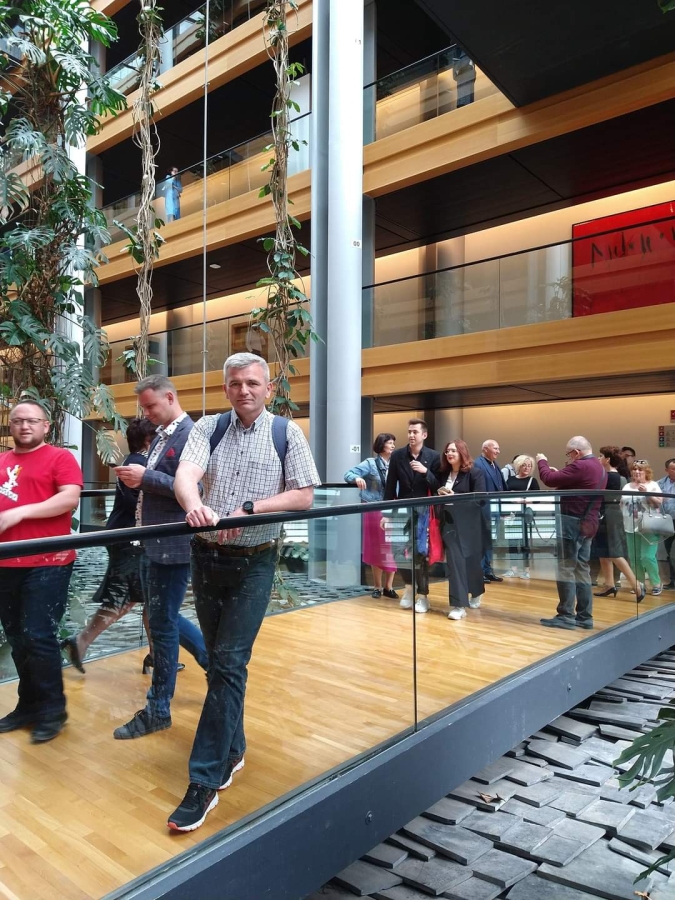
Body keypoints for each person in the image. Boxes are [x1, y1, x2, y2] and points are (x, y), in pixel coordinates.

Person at [167, 352, 320, 832]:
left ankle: (204, 779)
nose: (243, 390)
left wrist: (250, 509)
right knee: (221, 663)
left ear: (268, 388)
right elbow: (186, 475)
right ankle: (233, 750)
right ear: (226, 388)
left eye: (252, 383)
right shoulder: (208, 428)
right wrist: (194, 506)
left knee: (229, 662)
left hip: (255, 561)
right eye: (235, 383)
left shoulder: (286, 433)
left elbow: (304, 495)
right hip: (206, 557)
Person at [113, 375, 208, 740]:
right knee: (162, 617)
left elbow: (195, 490)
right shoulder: (163, 435)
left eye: (151, 406)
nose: (147, 413)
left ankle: (158, 708)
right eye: (144, 408)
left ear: (170, 398)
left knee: (163, 622)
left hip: (172, 546)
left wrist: (145, 477)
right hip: (153, 544)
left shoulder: (190, 435)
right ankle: (211, 667)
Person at [0, 400, 83, 743]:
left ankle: (53, 709)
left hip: (49, 561)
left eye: (32, 421)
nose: (24, 426)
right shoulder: (2, 461)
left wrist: (20, 513)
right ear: (10, 426)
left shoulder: (60, 458)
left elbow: (69, 499)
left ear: (46, 426)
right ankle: (29, 705)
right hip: (5, 563)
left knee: (38, 635)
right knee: (17, 638)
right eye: (18, 421)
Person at [61, 417, 158, 673]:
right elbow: (140, 503)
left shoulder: (133, 461)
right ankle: (82, 641)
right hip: (131, 540)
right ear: (148, 440)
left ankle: (156, 654)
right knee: (127, 598)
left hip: (127, 537)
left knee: (146, 598)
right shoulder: (139, 464)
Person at [536, 436, 607, 630]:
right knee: (581, 569)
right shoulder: (599, 466)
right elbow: (577, 485)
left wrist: (542, 461)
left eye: (569, 454)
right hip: (589, 523)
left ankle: (566, 615)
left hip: (572, 523)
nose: (569, 458)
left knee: (565, 568)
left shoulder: (580, 466)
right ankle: (584, 617)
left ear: (576, 452)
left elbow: (548, 479)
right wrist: (560, 474)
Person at [383, 419, 441, 614]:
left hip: (424, 512)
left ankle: (423, 595)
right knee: (398, 550)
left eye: (415, 432)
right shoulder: (398, 455)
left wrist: (425, 472)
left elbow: (438, 486)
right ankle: (409, 587)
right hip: (402, 510)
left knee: (420, 553)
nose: (411, 435)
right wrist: (386, 514)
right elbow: (390, 486)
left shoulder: (433, 457)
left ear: (424, 435)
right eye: (409, 432)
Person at [344, 433, 398, 599]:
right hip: (374, 510)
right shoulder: (370, 463)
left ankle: (389, 586)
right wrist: (357, 478)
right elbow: (348, 474)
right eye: (390, 443)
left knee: (392, 548)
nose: (393, 446)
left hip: (393, 508)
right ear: (382, 445)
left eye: (393, 443)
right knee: (377, 548)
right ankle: (377, 586)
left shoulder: (396, 463)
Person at [438, 440, 486, 621]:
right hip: (448, 524)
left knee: (472, 563)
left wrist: (455, 497)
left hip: (469, 526)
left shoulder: (475, 473)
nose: (449, 454)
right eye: (447, 451)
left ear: (462, 453)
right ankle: (459, 605)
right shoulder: (443, 474)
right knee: (455, 562)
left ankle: (476, 590)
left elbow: (480, 500)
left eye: (453, 450)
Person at [592, 445, 642, 601]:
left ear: (607, 459)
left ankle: (636, 585)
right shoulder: (616, 476)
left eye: (601, 456)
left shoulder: (608, 477)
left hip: (608, 515)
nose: (598, 458)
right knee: (604, 551)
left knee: (613, 552)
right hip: (608, 514)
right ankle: (609, 584)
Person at [621, 459, 663, 597]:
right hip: (630, 526)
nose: (637, 472)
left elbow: (658, 504)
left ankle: (656, 583)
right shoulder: (627, 486)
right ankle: (639, 584)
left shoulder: (653, 485)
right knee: (635, 558)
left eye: (640, 469)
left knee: (647, 557)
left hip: (649, 527)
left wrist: (647, 493)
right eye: (634, 469)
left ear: (646, 471)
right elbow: (622, 504)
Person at [474, 439, 507, 583]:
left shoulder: (495, 465)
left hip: (494, 509)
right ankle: (480, 571)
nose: (498, 451)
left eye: (498, 449)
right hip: (483, 509)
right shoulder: (477, 464)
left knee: (489, 541)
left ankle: (487, 570)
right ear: (485, 449)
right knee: (482, 541)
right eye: (495, 448)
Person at [504, 455, 540, 579]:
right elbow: (505, 497)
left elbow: (537, 500)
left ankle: (526, 570)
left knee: (525, 543)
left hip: (525, 515)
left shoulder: (532, 481)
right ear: (519, 465)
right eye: (524, 465)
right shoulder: (510, 480)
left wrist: (522, 500)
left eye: (529, 466)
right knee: (512, 542)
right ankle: (513, 569)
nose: (527, 468)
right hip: (512, 515)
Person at [657, 458, 675, 589]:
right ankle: (672, 580)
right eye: (673, 469)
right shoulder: (659, 484)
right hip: (667, 521)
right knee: (669, 552)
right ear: (667, 470)